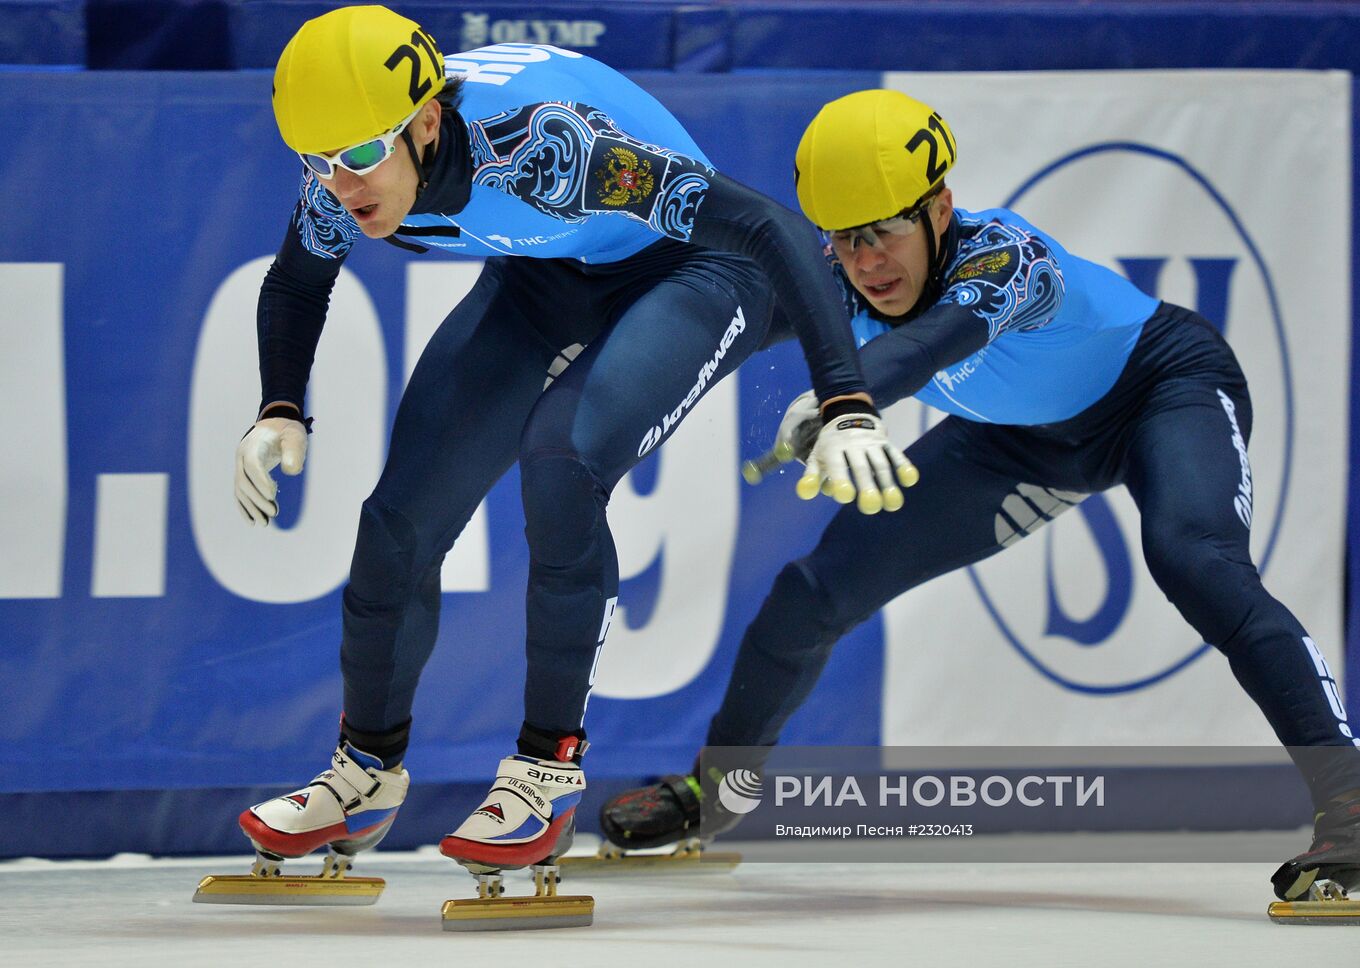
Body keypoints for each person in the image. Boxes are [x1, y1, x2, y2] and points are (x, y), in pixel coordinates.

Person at [600, 89, 1360, 903]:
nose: (867, 262)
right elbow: (713, 323)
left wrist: (846, 397)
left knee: (1196, 560)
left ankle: (1355, 808)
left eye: (885, 230)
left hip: (1160, 390)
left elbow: (929, 344)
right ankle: (717, 793)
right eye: (843, 237)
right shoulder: (836, 277)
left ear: (941, 209)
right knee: (811, 594)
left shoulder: (1008, 257)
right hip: (1020, 441)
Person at [231, 7, 919, 880]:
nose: (340, 183)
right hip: (549, 270)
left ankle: (545, 772)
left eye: (361, 157)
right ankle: (364, 772)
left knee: (560, 462)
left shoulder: (549, 148)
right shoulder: (345, 165)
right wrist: (279, 407)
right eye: (315, 161)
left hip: (692, 267)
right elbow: (297, 282)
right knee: (400, 516)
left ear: (428, 121)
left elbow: (766, 229)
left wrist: (848, 398)